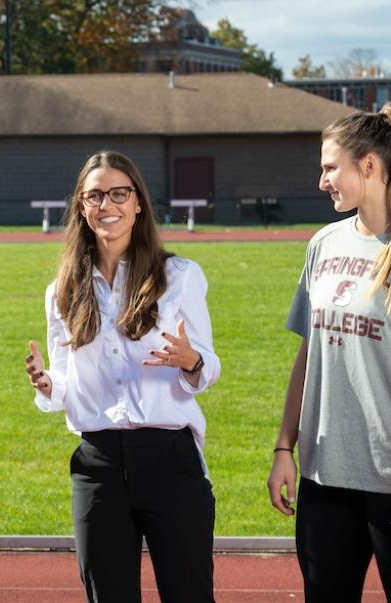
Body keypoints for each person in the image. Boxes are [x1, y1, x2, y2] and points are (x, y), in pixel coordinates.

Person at [23, 150, 221, 602]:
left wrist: (191, 359)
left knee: (189, 593)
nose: (106, 204)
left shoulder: (180, 277)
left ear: (137, 204)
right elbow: (66, 379)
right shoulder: (63, 291)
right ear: (81, 207)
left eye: (118, 193)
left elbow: (207, 369)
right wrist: (47, 384)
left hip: (170, 459)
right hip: (99, 466)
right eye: (94, 196)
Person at [267, 103, 391, 602]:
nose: (322, 181)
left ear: (369, 165)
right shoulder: (323, 243)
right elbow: (308, 353)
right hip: (325, 474)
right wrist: (284, 448)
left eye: (329, 167)